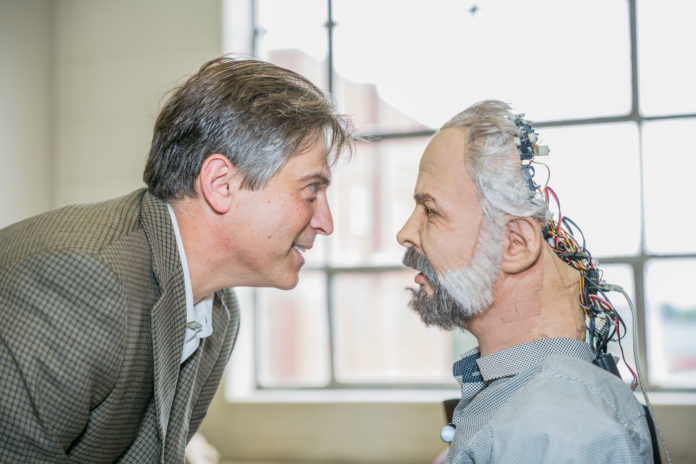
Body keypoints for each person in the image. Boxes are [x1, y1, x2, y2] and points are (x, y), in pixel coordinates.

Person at [0, 56, 352, 463]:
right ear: (221, 185)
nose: (326, 223)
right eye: (311, 190)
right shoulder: (82, 280)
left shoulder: (218, 311)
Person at [397, 100, 653, 463]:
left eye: (431, 211)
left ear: (515, 244)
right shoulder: (526, 412)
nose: (404, 233)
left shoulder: (563, 430)